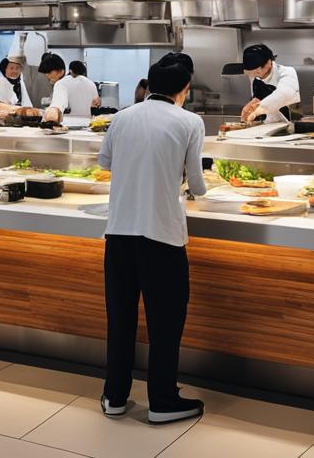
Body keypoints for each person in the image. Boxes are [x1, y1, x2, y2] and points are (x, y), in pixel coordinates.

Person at [97, 61, 206, 424]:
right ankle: (161, 400)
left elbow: (106, 163)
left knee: (121, 318)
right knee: (165, 322)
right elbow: (197, 183)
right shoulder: (189, 121)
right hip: (161, 235)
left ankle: (114, 396)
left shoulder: (123, 117)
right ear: (185, 87)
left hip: (119, 233)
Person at [239, 44, 299, 124]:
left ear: (269, 62)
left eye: (259, 68)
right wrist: (252, 105)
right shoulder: (255, 77)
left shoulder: (287, 72)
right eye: (253, 70)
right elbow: (257, 98)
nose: (257, 72)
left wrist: (259, 108)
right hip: (269, 126)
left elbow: (283, 94)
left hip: (292, 125)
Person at [40, 55, 100, 123]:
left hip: (68, 127)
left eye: (49, 73)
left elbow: (57, 106)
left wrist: (48, 114)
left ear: (60, 71)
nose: (48, 77)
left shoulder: (61, 84)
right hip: (89, 126)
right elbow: (96, 107)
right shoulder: (91, 84)